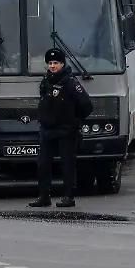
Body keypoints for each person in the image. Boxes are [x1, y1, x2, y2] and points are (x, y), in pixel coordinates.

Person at [29, 48, 92, 209]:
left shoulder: (70, 82)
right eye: (50, 63)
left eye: (55, 63)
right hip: (48, 129)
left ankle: (68, 196)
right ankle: (44, 196)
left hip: (66, 130)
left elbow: (86, 105)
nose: (52, 66)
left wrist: (74, 121)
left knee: (67, 165)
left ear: (62, 64)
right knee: (43, 164)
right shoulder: (46, 80)